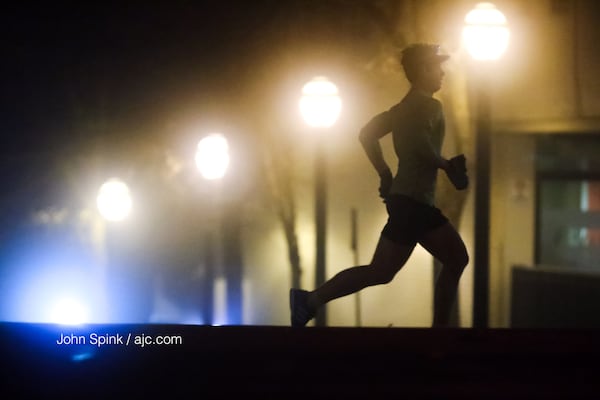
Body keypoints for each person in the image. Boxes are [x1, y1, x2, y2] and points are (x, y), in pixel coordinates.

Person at [290, 43, 469, 328]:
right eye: (437, 67)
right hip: (414, 203)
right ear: (423, 69)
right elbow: (418, 146)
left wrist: (385, 173)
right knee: (457, 258)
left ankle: (309, 300)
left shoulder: (401, 109)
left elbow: (366, 135)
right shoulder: (430, 106)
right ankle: (440, 334)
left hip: (405, 200)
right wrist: (446, 165)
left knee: (381, 271)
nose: (442, 73)